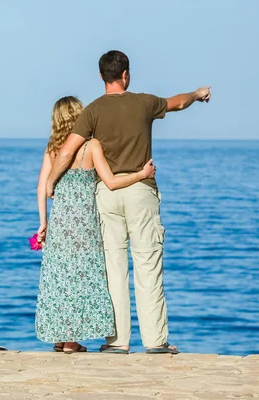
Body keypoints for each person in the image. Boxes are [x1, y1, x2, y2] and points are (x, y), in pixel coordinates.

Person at [46, 50, 211, 354]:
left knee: (114, 268)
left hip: (107, 194)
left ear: (101, 77)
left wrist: (51, 183)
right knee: (147, 264)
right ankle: (155, 341)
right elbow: (179, 102)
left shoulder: (92, 111)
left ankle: (117, 342)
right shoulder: (145, 102)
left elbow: (68, 151)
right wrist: (198, 93)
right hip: (140, 190)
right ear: (126, 75)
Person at [35, 96, 156, 354]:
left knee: (60, 278)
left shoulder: (52, 148)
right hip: (85, 225)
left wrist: (43, 223)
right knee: (83, 279)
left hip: (60, 222)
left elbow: (41, 188)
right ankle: (70, 342)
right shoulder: (91, 146)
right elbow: (111, 182)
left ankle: (61, 337)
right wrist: (141, 175)